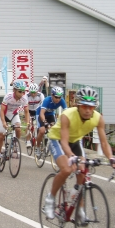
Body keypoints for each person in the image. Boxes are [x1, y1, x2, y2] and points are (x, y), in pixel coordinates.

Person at [42, 87, 115, 221]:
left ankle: (80, 210)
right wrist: (71, 156)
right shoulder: (67, 115)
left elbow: (104, 143)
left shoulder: (98, 118)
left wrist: (111, 158)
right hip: (57, 139)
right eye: (84, 106)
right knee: (66, 169)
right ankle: (50, 199)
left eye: (91, 107)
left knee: (83, 172)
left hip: (75, 141)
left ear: (95, 107)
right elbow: (64, 142)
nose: (88, 110)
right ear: (77, 105)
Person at [0, 80, 30, 166]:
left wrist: (28, 123)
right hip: (4, 114)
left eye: (23, 91)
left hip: (14, 114)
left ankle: (14, 144)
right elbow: (2, 111)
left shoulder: (24, 98)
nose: (22, 93)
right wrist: (4, 122)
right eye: (19, 91)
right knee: (1, 135)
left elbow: (26, 112)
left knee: (18, 129)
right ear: (14, 90)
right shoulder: (8, 97)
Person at [35, 86, 67, 158]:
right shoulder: (47, 100)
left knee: (54, 129)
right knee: (42, 130)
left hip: (50, 114)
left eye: (59, 97)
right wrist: (44, 122)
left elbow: (66, 112)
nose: (58, 99)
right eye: (56, 97)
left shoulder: (62, 101)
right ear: (52, 95)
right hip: (40, 114)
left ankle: (50, 145)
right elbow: (42, 113)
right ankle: (37, 148)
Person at [26, 83, 45, 147]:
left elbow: (43, 106)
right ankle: (28, 141)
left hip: (37, 111)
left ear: (37, 91)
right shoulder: (27, 96)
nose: (33, 94)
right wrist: (28, 120)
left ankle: (39, 139)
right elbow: (26, 108)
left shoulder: (40, 95)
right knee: (28, 124)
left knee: (38, 125)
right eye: (32, 92)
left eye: (35, 92)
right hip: (29, 111)